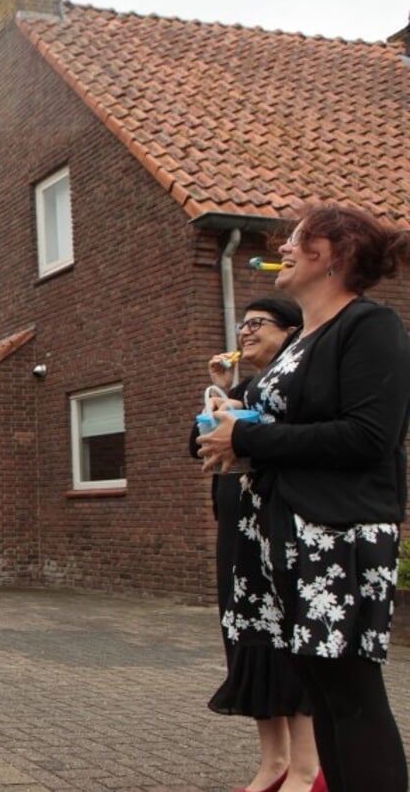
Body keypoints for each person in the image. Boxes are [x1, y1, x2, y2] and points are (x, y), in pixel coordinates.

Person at [199, 203, 410, 792]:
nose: (283, 250)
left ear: (331, 255)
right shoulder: (300, 345)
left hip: (339, 537)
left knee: (352, 697)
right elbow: (287, 428)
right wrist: (233, 422)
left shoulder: (371, 327)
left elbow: (371, 436)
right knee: (320, 693)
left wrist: (246, 434)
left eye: (295, 240)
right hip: (287, 536)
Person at [194, 297, 320, 792]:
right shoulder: (248, 388)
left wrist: (246, 423)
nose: (245, 332)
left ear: (290, 331)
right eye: (242, 324)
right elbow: (198, 441)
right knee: (251, 643)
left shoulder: (298, 386)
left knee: (292, 643)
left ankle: (308, 770)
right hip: (239, 535)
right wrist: (221, 395)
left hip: (280, 529)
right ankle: (274, 762)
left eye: (258, 323)